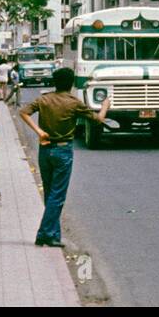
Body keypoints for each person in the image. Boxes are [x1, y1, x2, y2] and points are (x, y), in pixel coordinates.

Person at [19, 68, 110, 248]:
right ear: (70, 84)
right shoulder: (73, 103)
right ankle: (44, 233)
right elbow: (98, 119)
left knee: (50, 192)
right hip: (63, 150)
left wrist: (39, 131)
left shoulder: (44, 99)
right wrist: (106, 105)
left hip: (45, 150)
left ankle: (53, 235)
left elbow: (23, 112)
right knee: (57, 195)